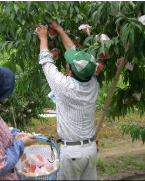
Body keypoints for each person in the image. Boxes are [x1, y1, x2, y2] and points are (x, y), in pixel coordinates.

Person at [36, 20, 100, 180]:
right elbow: (78, 57)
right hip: (90, 149)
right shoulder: (93, 83)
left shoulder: (65, 87)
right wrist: (59, 29)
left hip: (72, 153)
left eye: (69, 63)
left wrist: (43, 38)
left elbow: (46, 62)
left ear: (70, 71)